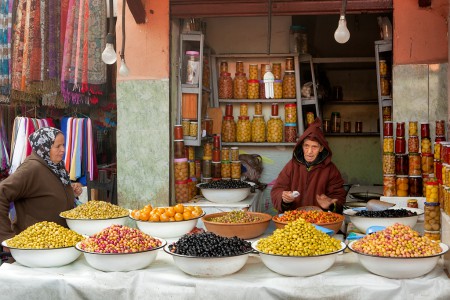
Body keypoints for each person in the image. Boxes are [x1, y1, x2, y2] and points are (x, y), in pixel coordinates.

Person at [0, 127, 83, 249]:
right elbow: (2, 193)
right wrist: (6, 237)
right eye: (57, 146)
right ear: (44, 147)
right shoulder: (31, 169)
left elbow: (47, 190)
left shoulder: (56, 165)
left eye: (63, 145)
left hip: (58, 244)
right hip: (34, 247)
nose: (63, 150)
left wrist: (71, 191)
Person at [271, 117, 346, 213]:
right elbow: (277, 189)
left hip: (319, 221)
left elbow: (339, 196)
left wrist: (331, 204)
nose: (309, 152)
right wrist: (285, 200)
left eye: (314, 147)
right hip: (293, 221)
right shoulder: (292, 165)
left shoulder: (330, 169)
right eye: (306, 146)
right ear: (301, 146)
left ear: (321, 148)